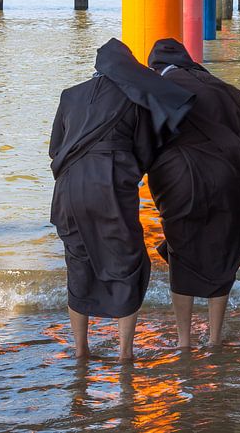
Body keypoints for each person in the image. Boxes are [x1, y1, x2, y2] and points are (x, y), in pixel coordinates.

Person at [50, 38, 195, 360]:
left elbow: (55, 148)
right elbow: (144, 149)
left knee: (79, 263)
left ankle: (80, 350)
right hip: (110, 185)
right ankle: (125, 352)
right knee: (128, 262)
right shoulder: (133, 96)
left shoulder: (70, 94)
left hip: (67, 189)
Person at [146, 38, 240, 348]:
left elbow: (149, 138)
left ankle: (184, 340)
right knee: (221, 252)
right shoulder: (223, 87)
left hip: (184, 180)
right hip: (230, 178)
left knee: (183, 255)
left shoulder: (159, 87)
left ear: (155, 67)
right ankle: (214, 337)